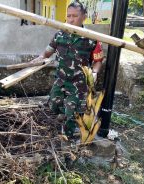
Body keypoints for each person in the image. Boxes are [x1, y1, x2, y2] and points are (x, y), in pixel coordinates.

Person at [31, 1, 103, 137]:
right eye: (68, 16)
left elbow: (98, 61)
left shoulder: (92, 39)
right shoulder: (60, 35)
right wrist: (39, 58)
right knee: (53, 103)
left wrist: (94, 72)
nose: (70, 19)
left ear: (84, 17)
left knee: (72, 114)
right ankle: (63, 115)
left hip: (79, 84)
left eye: (75, 16)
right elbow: (47, 53)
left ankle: (68, 140)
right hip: (61, 80)